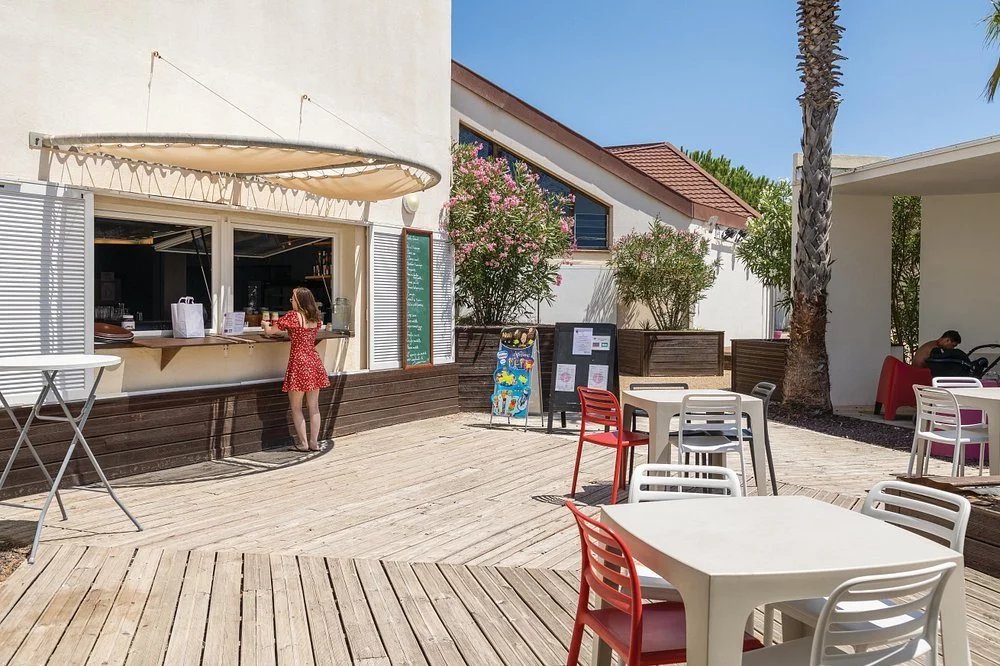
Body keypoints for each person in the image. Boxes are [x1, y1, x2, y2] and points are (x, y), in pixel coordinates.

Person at [262, 287, 331, 452]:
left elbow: (271, 331)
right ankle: (314, 443)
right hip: (313, 362)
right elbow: (304, 333)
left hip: (299, 363)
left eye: (292, 298)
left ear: (299, 301)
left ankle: (304, 444)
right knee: (314, 407)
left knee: (296, 407)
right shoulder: (315, 317)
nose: (291, 301)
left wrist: (265, 325)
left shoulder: (293, 316)